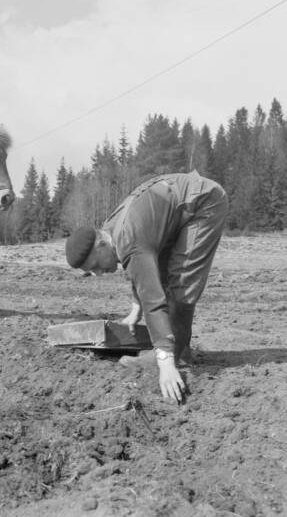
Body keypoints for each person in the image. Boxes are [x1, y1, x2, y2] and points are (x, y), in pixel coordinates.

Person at [65, 170, 228, 404]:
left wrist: (164, 363)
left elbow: (152, 298)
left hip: (202, 204)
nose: (99, 273)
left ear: (101, 244)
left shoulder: (127, 239)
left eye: (96, 265)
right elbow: (139, 270)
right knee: (162, 276)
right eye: (92, 272)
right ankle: (179, 348)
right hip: (183, 206)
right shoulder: (112, 231)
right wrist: (135, 309)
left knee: (181, 282)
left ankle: (175, 356)